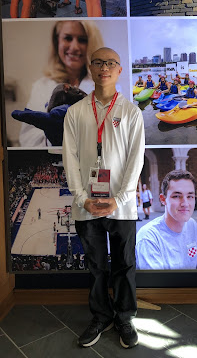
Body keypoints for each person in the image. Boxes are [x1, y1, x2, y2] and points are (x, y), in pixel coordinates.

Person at [63, 47, 145, 349]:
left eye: (110, 63)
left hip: (121, 206)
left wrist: (119, 198)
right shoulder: (76, 112)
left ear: (119, 70)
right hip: (87, 205)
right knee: (96, 266)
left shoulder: (131, 112)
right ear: (90, 68)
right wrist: (82, 198)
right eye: (98, 63)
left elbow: (136, 160)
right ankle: (101, 316)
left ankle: (124, 316)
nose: (104, 68)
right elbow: (69, 158)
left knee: (124, 264)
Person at [19, 20, 103, 147]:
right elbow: (27, 139)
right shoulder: (41, 87)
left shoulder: (106, 85)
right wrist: (53, 137)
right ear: (57, 41)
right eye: (68, 38)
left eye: (82, 40)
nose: (74, 47)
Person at [135, 170, 197, 270]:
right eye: (177, 196)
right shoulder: (148, 238)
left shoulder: (191, 226)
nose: (185, 203)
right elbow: (157, 283)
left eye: (190, 196)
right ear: (163, 199)